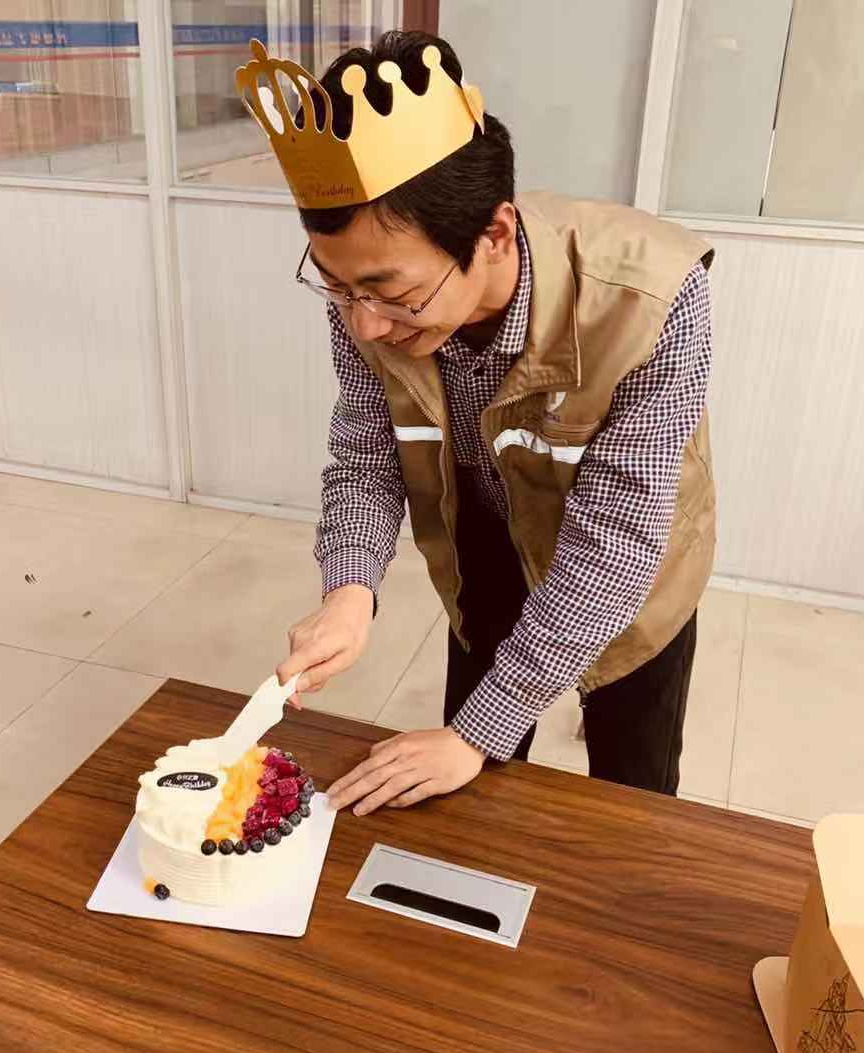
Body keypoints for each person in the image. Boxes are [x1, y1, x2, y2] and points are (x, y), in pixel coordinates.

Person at [236, 31, 715, 816]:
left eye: (394, 295)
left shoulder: (651, 300)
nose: (365, 325)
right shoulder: (366, 291)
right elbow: (367, 451)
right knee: (469, 795)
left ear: (493, 234)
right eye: (336, 288)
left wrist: (477, 730)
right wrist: (349, 589)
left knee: (633, 803)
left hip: (634, 573)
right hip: (485, 537)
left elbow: (618, 541)